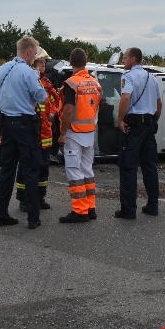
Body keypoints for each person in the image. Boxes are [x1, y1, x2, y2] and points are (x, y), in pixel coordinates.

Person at [0, 36, 47, 229]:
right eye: (36, 53)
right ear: (29, 52)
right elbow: (42, 97)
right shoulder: (29, 73)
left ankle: (0, 215)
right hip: (25, 125)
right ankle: (33, 218)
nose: (36, 57)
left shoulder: (1, 70)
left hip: (6, 123)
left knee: (6, 170)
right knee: (31, 169)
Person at [114, 47, 162, 219]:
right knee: (149, 167)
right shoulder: (152, 78)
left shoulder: (128, 76)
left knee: (128, 166)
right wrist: (153, 121)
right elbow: (159, 104)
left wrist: (120, 120)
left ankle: (128, 209)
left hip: (134, 126)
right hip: (149, 125)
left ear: (133, 59)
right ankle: (153, 205)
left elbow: (125, 98)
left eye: (125, 57)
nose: (123, 61)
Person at [58, 48, 102, 223]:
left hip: (74, 132)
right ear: (86, 62)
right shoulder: (95, 82)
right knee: (87, 171)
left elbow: (68, 110)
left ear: (70, 62)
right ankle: (90, 207)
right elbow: (100, 102)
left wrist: (62, 133)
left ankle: (79, 210)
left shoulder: (71, 83)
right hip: (89, 132)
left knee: (74, 171)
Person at [16, 47, 60, 211]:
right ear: (34, 63)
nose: (44, 65)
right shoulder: (27, 80)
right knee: (27, 166)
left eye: (44, 62)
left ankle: (40, 198)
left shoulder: (47, 83)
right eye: (41, 62)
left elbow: (56, 102)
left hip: (45, 132)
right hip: (30, 131)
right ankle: (24, 199)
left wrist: (54, 113)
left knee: (43, 167)